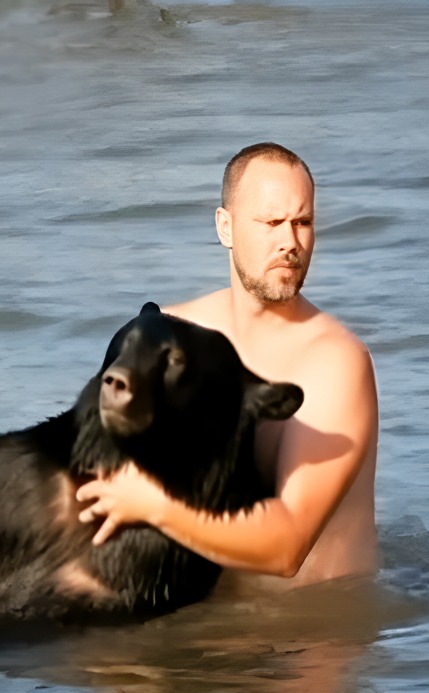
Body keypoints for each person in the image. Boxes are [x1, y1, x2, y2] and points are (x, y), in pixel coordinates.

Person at [76, 142, 379, 593]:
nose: (289, 242)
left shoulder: (335, 363)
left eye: (303, 222)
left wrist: (153, 505)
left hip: (313, 627)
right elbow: (98, 477)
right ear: (226, 227)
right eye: (271, 222)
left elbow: (287, 548)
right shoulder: (167, 333)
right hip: (212, 612)